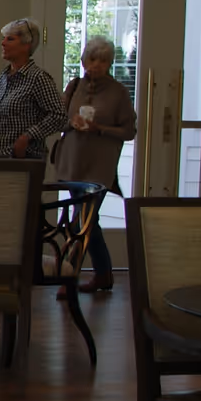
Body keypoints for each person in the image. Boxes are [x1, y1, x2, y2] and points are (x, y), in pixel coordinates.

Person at [53, 36, 137, 293]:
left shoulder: (118, 92)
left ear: (110, 63)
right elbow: (58, 120)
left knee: (82, 222)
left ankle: (68, 279)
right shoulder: (74, 86)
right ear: (83, 60)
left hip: (99, 166)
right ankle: (103, 274)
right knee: (88, 222)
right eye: (92, 59)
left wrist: (98, 128)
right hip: (73, 162)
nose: (96, 65)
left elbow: (128, 131)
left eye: (103, 60)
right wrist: (72, 123)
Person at [0, 16, 65, 161]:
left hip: (24, 161)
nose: (3, 43)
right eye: (4, 38)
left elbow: (59, 116)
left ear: (26, 45)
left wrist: (27, 137)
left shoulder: (38, 78)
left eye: (10, 39)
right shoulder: (1, 78)